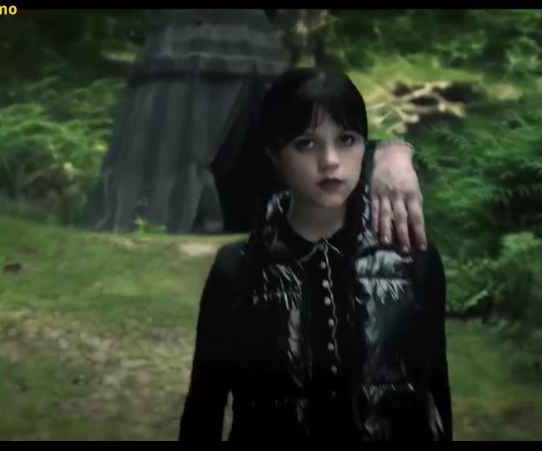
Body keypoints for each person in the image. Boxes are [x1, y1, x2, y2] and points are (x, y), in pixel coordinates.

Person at [178, 68, 452, 441]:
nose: (330, 161)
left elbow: (435, 393)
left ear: (364, 148)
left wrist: (396, 150)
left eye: (347, 140)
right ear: (275, 155)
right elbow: (204, 405)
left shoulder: (414, 258)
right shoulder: (237, 268)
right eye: (306, 144)